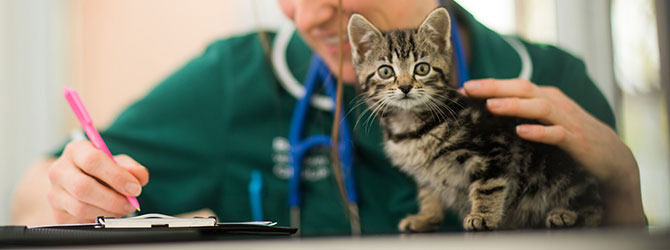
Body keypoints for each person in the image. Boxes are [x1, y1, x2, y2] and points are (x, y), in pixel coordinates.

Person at [12, 0, 646, 235]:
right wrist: (66, 196)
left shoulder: (553, 82)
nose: (307, 14)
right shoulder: (235, 79)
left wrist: (623, 187)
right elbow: (33, 196)